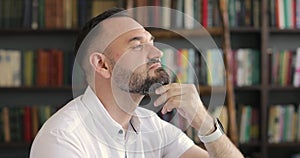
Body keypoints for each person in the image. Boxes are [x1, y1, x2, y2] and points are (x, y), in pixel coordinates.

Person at [30, 8, 244, 158]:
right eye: (137, 46)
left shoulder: (152, 126)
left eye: (151, 42)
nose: (158, 52)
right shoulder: (62, 139)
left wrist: (204, 123)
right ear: (102, 65)